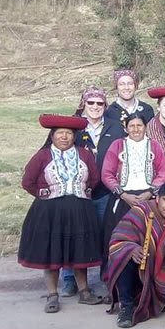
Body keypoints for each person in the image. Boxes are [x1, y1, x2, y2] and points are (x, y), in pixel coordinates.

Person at [18, 114, 103, 313]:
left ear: (74, 136)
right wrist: (45, 194)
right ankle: (52, 295)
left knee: (79, 251)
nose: (64, 137)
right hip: (50, 212)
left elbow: (94, 179)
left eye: (68, 133)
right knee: (52, 252)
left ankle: (84, 291)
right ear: (52, 136)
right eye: (59, 133)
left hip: (80, 210)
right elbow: (27, 181)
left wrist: (80, 192)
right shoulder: (43, 156)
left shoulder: (85, 155)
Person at [61, 86, 126, 297]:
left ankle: (106, 277)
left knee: (106, 234)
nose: (95, 107)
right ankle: (69, 279)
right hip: (77, 193)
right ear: (83, 104)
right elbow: (50, 151)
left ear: (105, 106)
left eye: (100, 103)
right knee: (73, 235)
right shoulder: (72, 127)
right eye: (91, 103)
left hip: (105, 192)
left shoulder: (116, 127)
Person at [104, 180, 165, 328]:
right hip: (136, 272)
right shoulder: (142, 210)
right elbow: (118, 239)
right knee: (124, 255)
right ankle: (126, 306)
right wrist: (132, 249)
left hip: (160, 273)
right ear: (157, 198)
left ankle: (151, 297)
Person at [101, 113, 165, 273]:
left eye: (139, 125)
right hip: (123, 198)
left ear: (145, 127)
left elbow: (162, 171)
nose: (136, 129)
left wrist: (150, 192)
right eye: (132, 126)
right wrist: (123, 195)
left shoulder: (154, 146)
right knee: (119, 239)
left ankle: (146, 283)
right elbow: (107, 174)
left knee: (147, 239)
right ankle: (116, 282)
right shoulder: (117, 146)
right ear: (126, 128)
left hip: (148, 199)